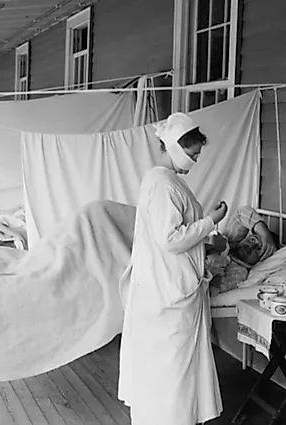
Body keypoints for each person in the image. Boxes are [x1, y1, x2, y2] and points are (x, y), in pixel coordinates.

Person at [118, 112, 227, 425]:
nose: (195, 162)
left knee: (171, 365)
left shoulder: (164, 181)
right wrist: (210, 222)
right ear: (176, 148)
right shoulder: (163, 184)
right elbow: (169, 239)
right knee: (171, 366)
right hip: (168, 288)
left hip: (165, 282)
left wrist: (205, 242)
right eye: (192, 155)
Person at [205, 205, 280, 293]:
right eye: (252, 239)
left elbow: (215, 288)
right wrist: (265, 234)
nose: (251, 246)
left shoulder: (239, 272)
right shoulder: (231, 240)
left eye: (259, 249)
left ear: (262, 259)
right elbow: (242, 212)